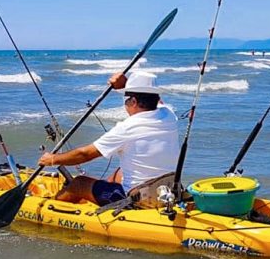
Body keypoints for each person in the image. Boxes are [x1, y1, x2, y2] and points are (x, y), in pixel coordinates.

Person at [38, 71, 180, 206]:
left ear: (134, 101)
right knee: (120, 173)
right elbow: (158, 101)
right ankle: (95, 198)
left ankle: (52, 207)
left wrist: (52, 159)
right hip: (167, 189)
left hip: (137, 199)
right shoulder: (169, 115)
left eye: (126, 100)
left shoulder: (127, 128)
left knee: (78, 183)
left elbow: (85, 154)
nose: (124, 104)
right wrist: (125, 85)